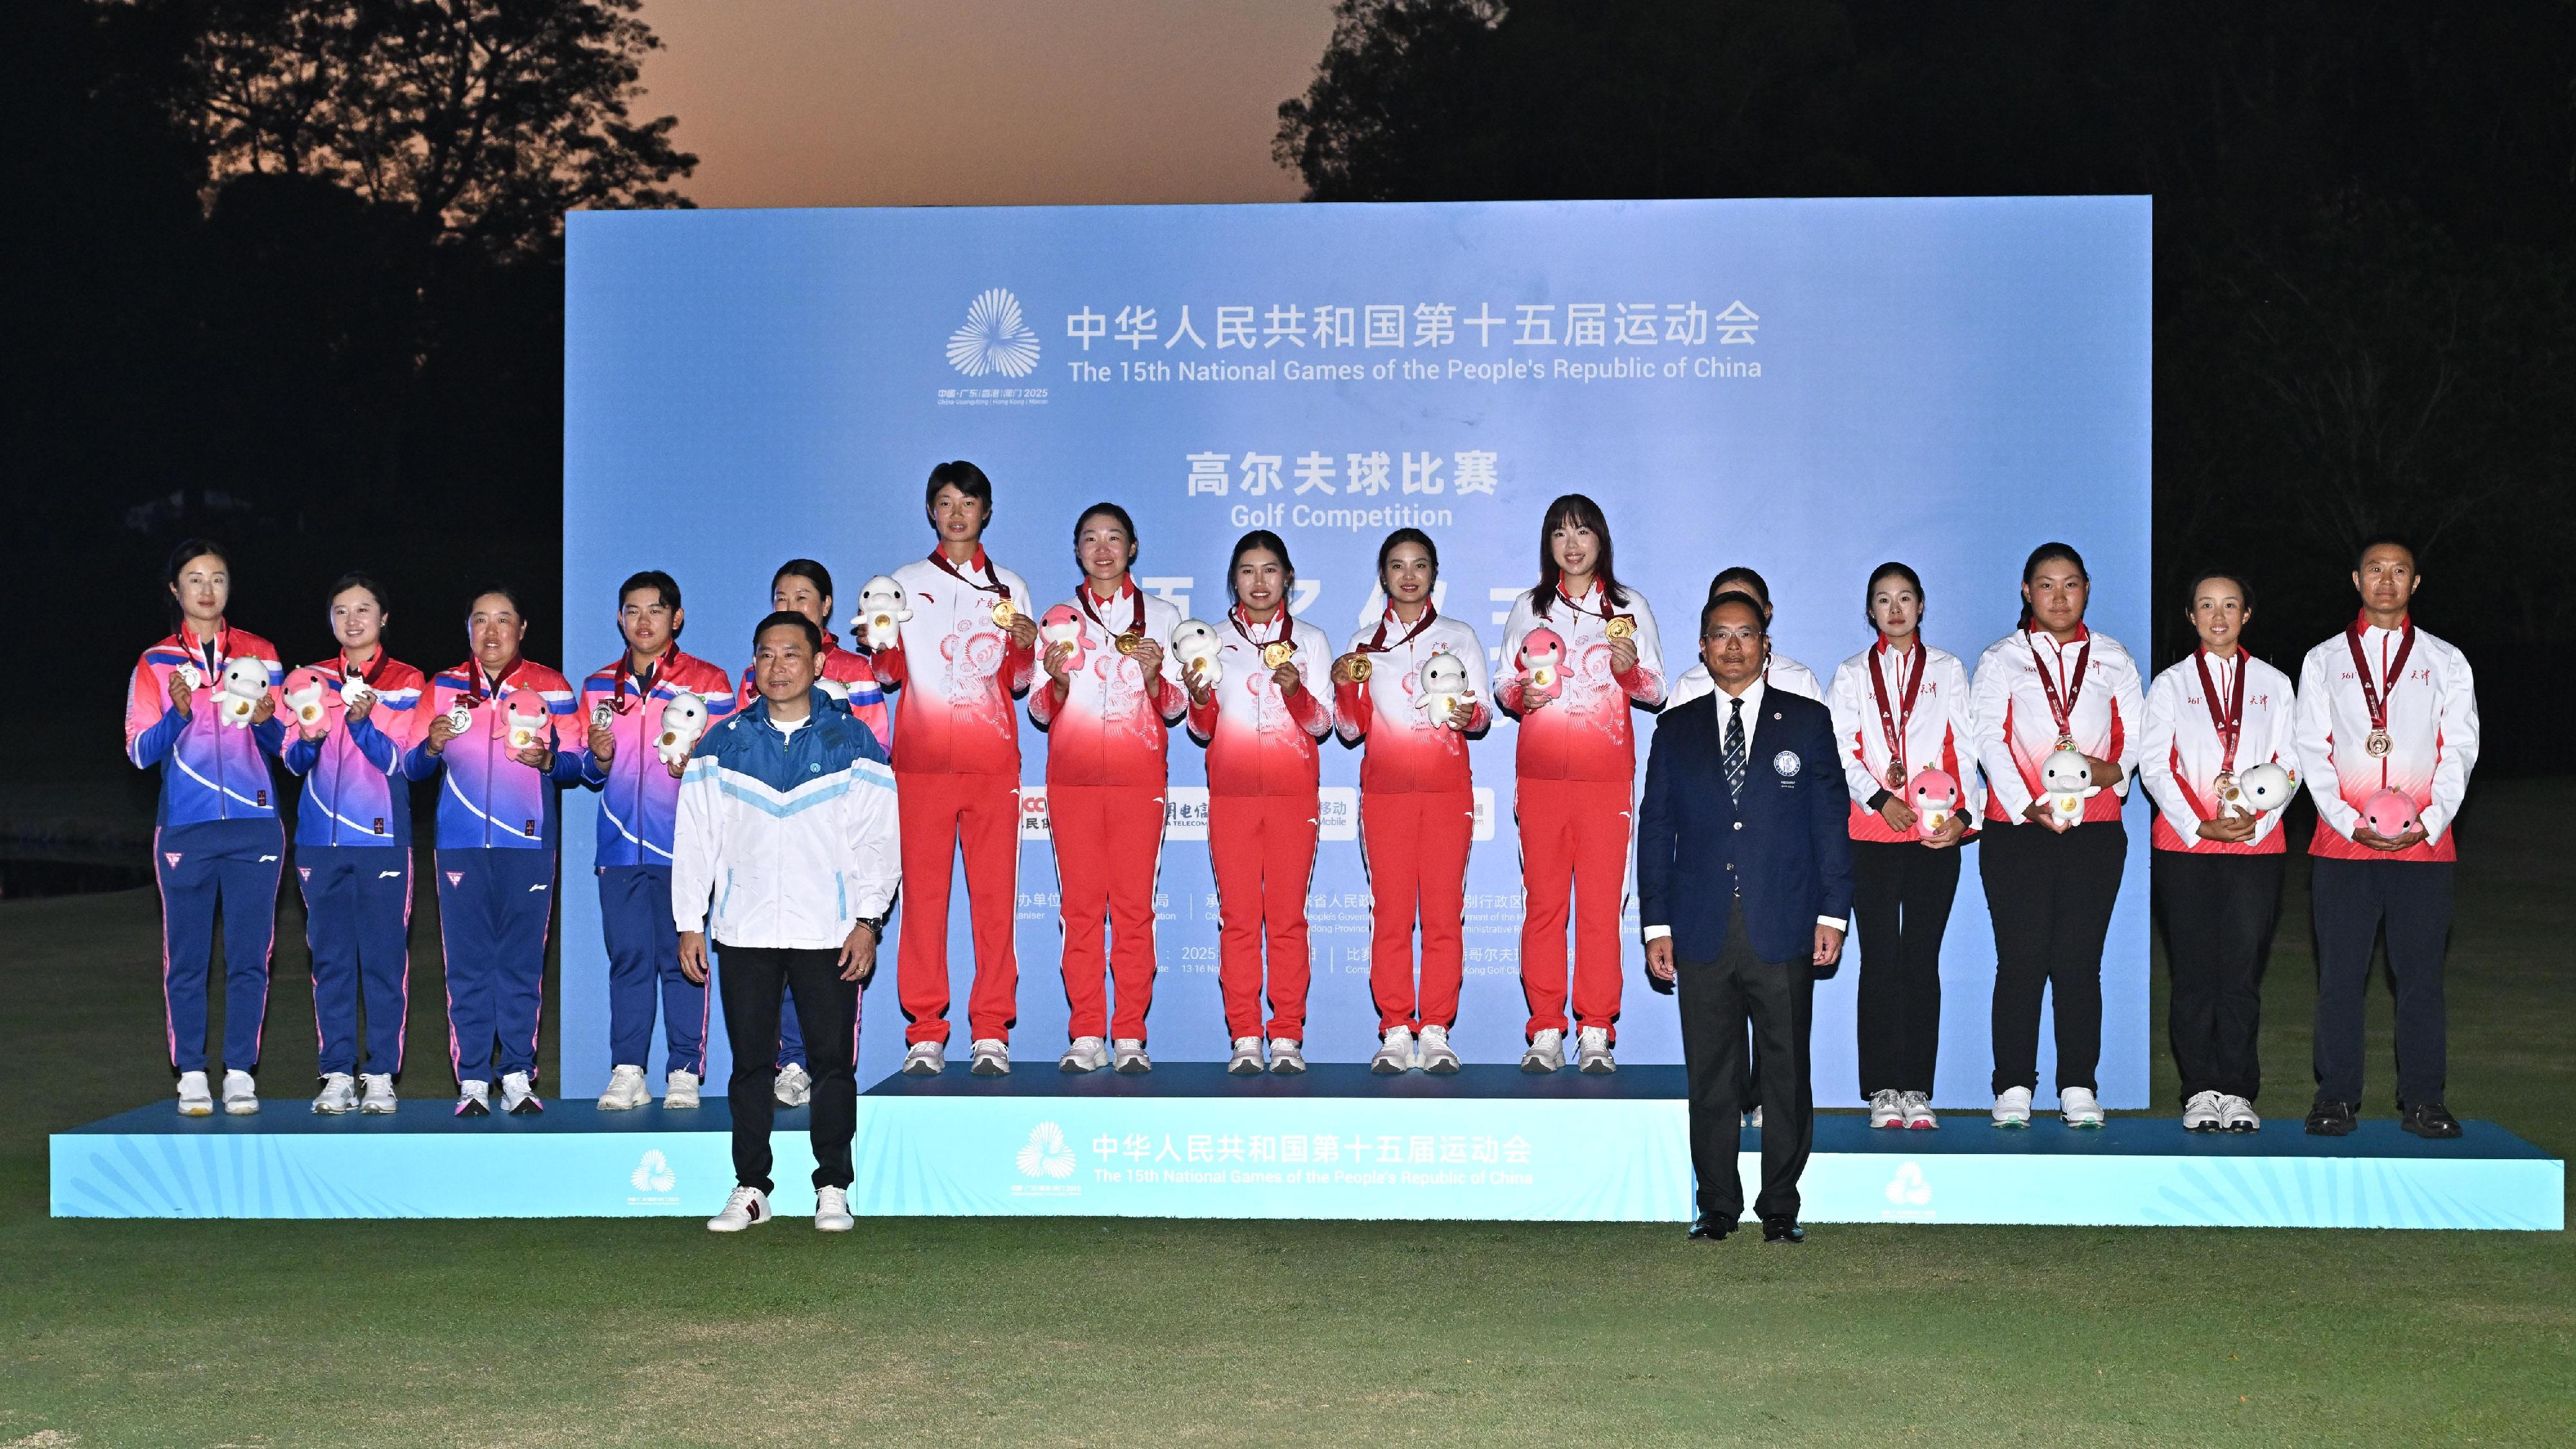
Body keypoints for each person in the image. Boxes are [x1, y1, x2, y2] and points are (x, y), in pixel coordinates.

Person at [1639, 591, 1852, 1244]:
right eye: (1718, 635)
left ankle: (1780, 1207)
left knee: (1786, 1072)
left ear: (1766, 645)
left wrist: (1832, 914)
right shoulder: (1675, 729)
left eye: (1745, 634)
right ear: (1702, 650)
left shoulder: (1808, 722)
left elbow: (1830, 827)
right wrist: (1656, 925)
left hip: (1783, 921)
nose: (1732, 646)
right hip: (1700, 927)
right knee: (1711, 1076)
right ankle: (1717, 1206)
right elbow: (1655, 831)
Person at [676, 612, 898, 1233]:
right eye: (767, 656)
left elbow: (881, 840)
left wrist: (868, 921)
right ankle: (752, 1188)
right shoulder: (722, 743)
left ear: (819, 663)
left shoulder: (852, 743)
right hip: (744, 931)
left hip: (828, 930)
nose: (779, 667)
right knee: (750, 1065)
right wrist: (689, 922)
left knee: (831, 1063)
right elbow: (695, 840)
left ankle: (833, 1186)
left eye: (792, 654)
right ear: (754, 667)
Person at [2295, 538, 2479, 1139]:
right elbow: (2311, 750)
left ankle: (2424, 1100)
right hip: (2343, 844)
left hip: (2424, 844)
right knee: (2341, 976)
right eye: (2376, 570)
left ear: (2415, 585)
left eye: (2400, 572)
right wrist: (2350, 820)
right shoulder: (2324, 659)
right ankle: (2336, 1097)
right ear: (2356, 580)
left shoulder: (2445, 660)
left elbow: (2461, 746)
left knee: (2420, 976)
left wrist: (2432, 817)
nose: (2387, 581)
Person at [874, 461, 1039, 1075]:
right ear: (931, 511)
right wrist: (883, 642)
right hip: (918, 767)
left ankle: (991, 1027)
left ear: (986, 511)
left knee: (995, 902)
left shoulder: (1010, 587)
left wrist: (1023, 645)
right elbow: (888, 676)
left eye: (968, 502)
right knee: (923, 901)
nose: (957, 512)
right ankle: (925, 1030)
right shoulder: (903, 581)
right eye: (945, 502)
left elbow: (1021, 683)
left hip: (993, 764)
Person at [1971, 542, 2143, 1128]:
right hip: (2017, 829)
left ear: (2087, 589)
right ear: (2027, 592)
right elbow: (1988, 738)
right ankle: (2013, 1086)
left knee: (2078, 963)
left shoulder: (2114, 657)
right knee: (2019, 961)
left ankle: (2078, 1085)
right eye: (2046, 585)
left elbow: (2135, 738)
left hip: (2094, 829)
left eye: (2071, 584)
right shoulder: (2002, 658)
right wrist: (2027, 805)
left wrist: (2101, 778)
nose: (2059, 596)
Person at [1498, 494, 1665, 1074]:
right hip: (1541, 780)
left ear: (1601, 541)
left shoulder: (1628, 606)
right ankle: (1546, 1026)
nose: (1572, 546)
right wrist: (1524, 696)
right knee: (1544, 906)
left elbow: (1657, 690)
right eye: (1560, 535)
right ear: (1548, 545)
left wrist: (1629, 670)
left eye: (1583, 533)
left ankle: (1596, 1028)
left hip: (1605, 781)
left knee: (1600, 908)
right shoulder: (1529, 606)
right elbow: (1502, 685)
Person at [404, 586, 587, 1117]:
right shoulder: (441, 688)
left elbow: (580, 768)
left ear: (522, 628)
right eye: (480, 620)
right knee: (467, 964)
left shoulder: (551, 687)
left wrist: (550, 758)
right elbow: (413, 768)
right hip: (459, 846)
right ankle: (473, 1079)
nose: (491, 632)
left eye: (503, 620)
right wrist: (433, 744)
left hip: (528, 844)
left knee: (522, 964)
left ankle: (518, 1074)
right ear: (468, 629)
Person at [124, 540, 287, 1117]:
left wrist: (269, 725)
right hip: (186, 829)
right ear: (176, 589)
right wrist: (178, 714)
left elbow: (289, 748)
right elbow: (140, 752)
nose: (207, 589)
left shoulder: (262, 655)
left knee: (250, 957)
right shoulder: (156, 662)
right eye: (195, 579)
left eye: (217, 577)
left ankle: (240, 1071)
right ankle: (191, 1073)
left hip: (255, 825)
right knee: (187, 959)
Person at [1028, 504, 1186, 1073]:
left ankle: (1130, 1034)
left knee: (1133, 909)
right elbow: (1041, 712)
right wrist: (1060, 681)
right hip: (1071, 782)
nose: (1102, 549)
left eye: (1114, 538)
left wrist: (1151, 676)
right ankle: (1087, 1031)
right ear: (1076, 550)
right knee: (1080, 908)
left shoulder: (1164, 617)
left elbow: (1176, 709)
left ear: (1133, 547)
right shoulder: (1058, 618)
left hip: (1138, 781)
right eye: (1091, 539)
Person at [2139, 570, 2300, 1134]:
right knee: (2193, 975)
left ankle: (2238, 1090)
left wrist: (2255, 819)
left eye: (2230, 605)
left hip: (2257, 847)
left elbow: (2291, 762)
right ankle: (2199, 1089)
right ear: (2191, 616)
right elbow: (2155, 765)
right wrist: (2200, 824)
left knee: (2239, 974)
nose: (2218, 616)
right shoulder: (2170, 685)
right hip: (2187, 846)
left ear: (2247, 614)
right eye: (2206, 605)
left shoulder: (2275, 685)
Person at [1824, 563, 1978, 1130]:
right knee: (1880, 960)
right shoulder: (1849, 674)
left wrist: (1963, 816)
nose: (1895, 609)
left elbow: (1967, 744)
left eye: (1905, 598)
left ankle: (1918, 1089)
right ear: (1870, 611)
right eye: (1883, 600)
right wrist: (1876, 799)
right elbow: (1838, 749)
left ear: (1921, 606)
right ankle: (1881, 1089)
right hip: (1871, 833)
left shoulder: (1947, 669)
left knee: (1921, 959)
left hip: (1935, 837)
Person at [1331, 527, 1490, 1074]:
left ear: (1433, 574)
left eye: (1419, 565)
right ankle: (1396, 1028)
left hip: (1448, 795)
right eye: (1397, 566)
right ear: (1383, 577)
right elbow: (1348, 731)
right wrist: (1346, 687)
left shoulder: (1460, 636)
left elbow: (1484, 714)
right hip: (1386, 797)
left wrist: (1470, 716)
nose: (1408, 575)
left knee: (1444, 914)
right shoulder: (1361, 646)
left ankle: (1437, 1029)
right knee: (1392, 914)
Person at [578, 570, 737, 1111]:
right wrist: (597, 758)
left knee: (682, 959)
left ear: (677, 617)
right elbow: (588, 769)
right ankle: (628, 1070)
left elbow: (730, 764)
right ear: (620, 618)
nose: (643, 621)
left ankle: (684, 1070)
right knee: (627, 959)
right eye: (632, 610)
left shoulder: (710, 683)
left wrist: (702, 765)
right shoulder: (600, 685)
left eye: (654, 610)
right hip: (619, 847)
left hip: (685, 847)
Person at [1186, 529, 1334, 1075]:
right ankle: (1245, 1034)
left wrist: (1295, 688)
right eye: (1247, 571)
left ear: (1288, 577)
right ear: (1234, 579)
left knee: (1289, 919)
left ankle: (1287, 1035)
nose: (1259, 582)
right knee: (1239, 920)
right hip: (1233, 798)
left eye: (1270, 570)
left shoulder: (1313, 641)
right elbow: (1202, 731)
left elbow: (1322, 726)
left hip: (1294, 798)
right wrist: (1200, 699)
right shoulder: (1211, 638)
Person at [279, 573, 427, 1115]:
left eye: (363, 609)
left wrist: (363, 726)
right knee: (332, 962)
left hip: (383, 842)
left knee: (385, 961)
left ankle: (382, 1073)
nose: (353, 620)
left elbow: (404, 763)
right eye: (341, 611)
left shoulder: (409, 681)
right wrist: (311, 738)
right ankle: (338, 1073)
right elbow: (292, 762)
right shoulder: (309, 680)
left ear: (383, 617)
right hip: (320, 843)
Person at [741, 558, 885, 1105]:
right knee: (775, 952)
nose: (790, 607)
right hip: (771, 838)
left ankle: (828, 1068)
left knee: (830, 957)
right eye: (781, 597)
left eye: (803, 598)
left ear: (826, 607)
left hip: (834, 838)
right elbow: (741, 751)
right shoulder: (758, 671)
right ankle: (790, 1062)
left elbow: (877, 755)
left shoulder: (854, 671)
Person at [1666, 566, 1824, 709]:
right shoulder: (1690, 686)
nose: (1735, 612)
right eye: (1723, 604)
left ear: (1766, 612)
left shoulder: (1798, 681)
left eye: (1748, 604)